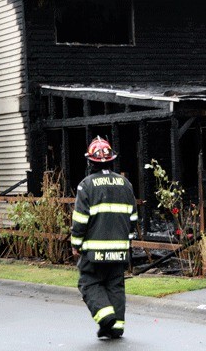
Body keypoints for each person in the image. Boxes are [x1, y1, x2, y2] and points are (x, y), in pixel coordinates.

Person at [71, 136, 138, 339]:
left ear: (90, 162)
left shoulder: (86, 185)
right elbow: (133, 218)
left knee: (88, 283)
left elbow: (80, 220)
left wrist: (76, 244)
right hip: (120, 250)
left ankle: (106, 318)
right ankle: (116, 327)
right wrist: (127, 242)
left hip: (94, 252)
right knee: (115, 285)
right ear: (111, 161)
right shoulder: (125, 184)